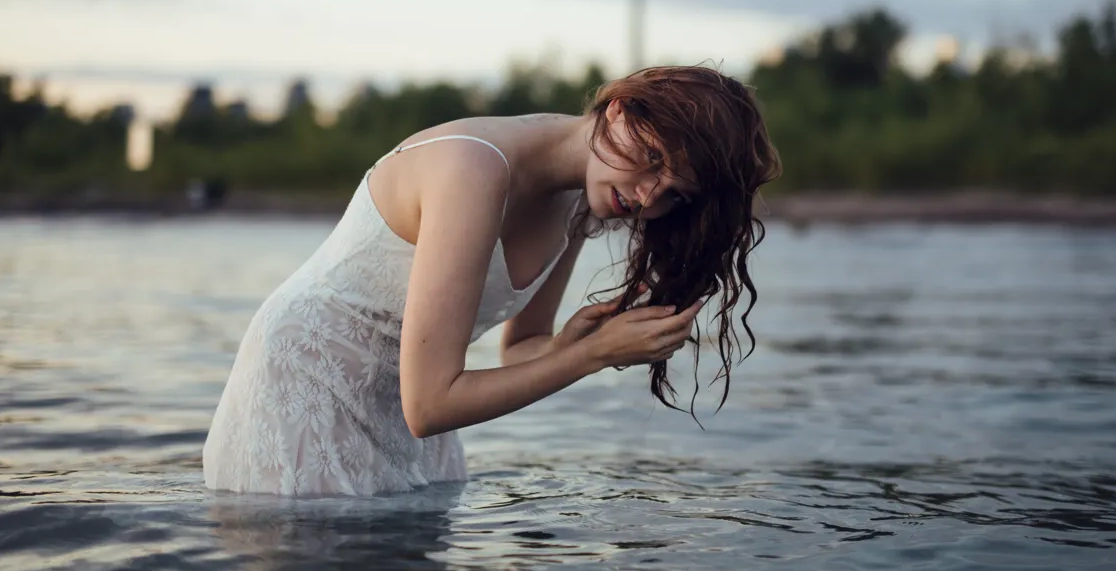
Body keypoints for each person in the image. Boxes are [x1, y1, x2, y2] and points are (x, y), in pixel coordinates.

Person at [203, 65, 781, 495]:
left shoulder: (587, 199)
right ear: (619, 110)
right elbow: (429, 405)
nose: (649, 196)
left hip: (403, 405)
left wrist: (564, 346)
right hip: (308, 379)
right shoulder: (472, 168)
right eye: (653, 158)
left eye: (675, 193)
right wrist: (593, 357)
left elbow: (518, 351)